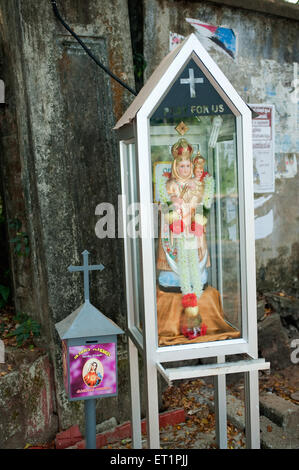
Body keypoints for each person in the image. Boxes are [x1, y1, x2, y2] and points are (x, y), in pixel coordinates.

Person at [157, 139, 214, 339]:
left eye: (188, 165)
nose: (185, 168)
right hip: (176, 229)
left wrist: (197, 216)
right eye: (181, 165)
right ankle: (173, 277)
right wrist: (172, 205)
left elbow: (203, 204)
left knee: (195, 252)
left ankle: (196, 281)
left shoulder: (198, 184)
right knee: (175, 252)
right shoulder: (170, 185)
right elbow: (163, 207)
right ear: (175, 166)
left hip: (193, 227)